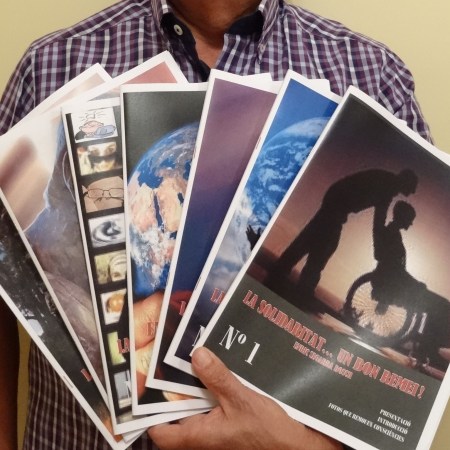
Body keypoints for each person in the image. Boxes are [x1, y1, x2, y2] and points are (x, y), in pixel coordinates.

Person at [0, 1, 432, 449]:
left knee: (304, 256)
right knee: (308, 256)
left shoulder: (373, 75)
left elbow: (397, 413)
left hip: (328, 216)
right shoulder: (52, 64)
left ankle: (289, 284)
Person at [265, 168, 418, 308]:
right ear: (405, 182)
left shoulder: (387, 182)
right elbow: (378, 222)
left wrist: (379, 244)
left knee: (311, 240)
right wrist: (378, 247)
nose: (410, 193)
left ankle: (283, 275)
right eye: (411, 188)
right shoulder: (388, 186)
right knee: (322, 247)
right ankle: (300, 289)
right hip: (337, 205)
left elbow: (378, 220)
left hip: (336, 202)